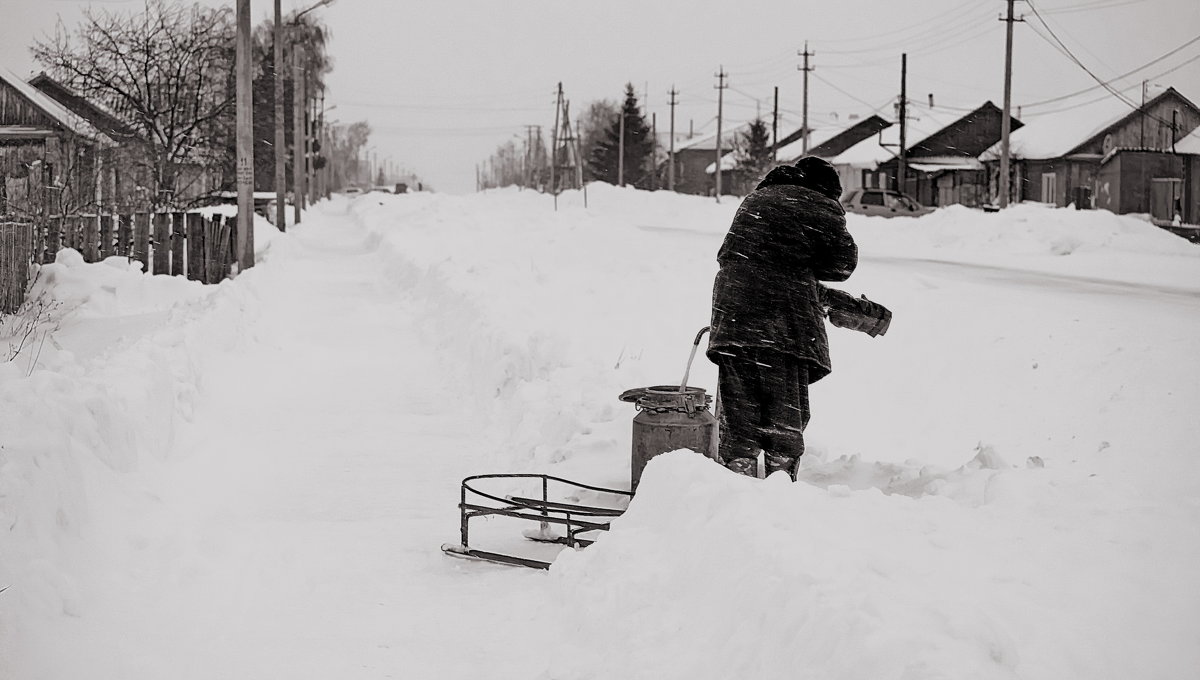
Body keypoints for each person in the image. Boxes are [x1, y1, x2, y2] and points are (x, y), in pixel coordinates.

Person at [706, 156, 859, 480]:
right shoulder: (820, 203)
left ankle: (737, 476)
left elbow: (732, 253)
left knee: (739, 406)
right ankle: (779, 480)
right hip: (783, 319)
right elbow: (842, 266)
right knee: (784, 408)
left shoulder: (757, 197)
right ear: (829, 188)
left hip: (733, 311)